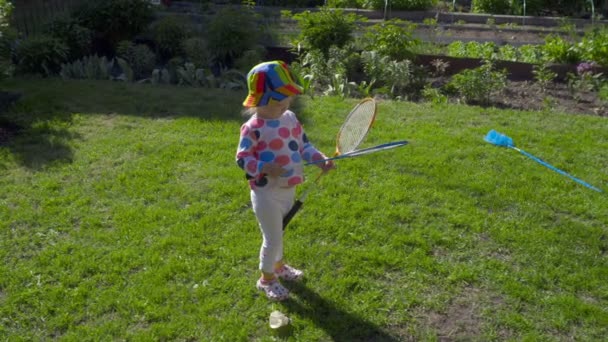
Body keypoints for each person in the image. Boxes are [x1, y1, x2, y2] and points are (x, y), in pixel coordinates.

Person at [236, 61, 335, 301]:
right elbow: (242, 158)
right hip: (265, 192)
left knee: (279, 232)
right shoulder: (252, 128)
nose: (283, 105)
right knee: (272, 237)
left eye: (286, 99)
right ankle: (266, 279)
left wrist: (320, 159)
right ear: (258, 101)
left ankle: (278, 266)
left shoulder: (290, 118)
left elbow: (304, 146)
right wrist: (263, 167)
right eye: (276, 102)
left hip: (288, 188)